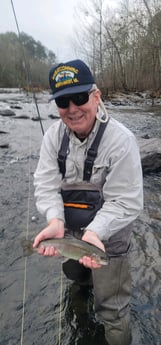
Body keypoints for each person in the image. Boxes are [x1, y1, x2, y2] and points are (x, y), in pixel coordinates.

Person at [33, 59, 143, 345]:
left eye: (79, 97)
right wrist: (55, 220)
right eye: (63, 101)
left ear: (96, 96)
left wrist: (94, 234)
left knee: (113, 311)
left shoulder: (121, 142)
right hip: (68, 234)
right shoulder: (52, 138)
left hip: (110, 239)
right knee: (75, 277)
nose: (72, 109)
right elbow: (45, 186)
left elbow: (126, 201)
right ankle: (81, 303)